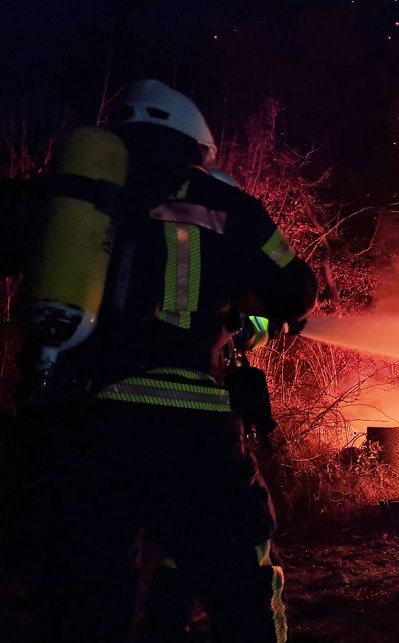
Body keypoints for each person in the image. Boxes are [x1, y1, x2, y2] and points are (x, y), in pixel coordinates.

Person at [8, 78, 318, 642]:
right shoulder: (229, 206)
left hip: (82, 425)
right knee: (239, 582)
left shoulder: (70, 194)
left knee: (88, 599)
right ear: (196, 145)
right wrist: (244, 300)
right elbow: (295, 290)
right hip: (192, 433)